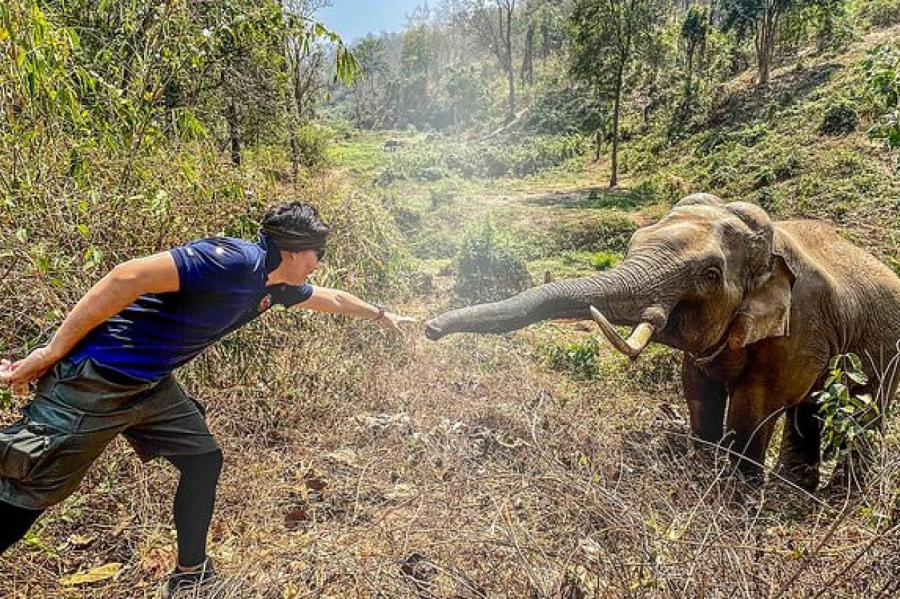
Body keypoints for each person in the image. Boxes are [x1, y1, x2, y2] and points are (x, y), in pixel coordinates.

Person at [0, 201, 414, 596]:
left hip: (152, 385)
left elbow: (334, 298)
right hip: (96, 381)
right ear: (291, 251)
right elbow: (127, 277)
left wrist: (381, 315)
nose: (318, 263)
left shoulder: (275, 284)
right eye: (316, 253)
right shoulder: (232, 261)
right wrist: (51, 352)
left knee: (203, 460)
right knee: (30, 488)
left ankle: (190, 575)